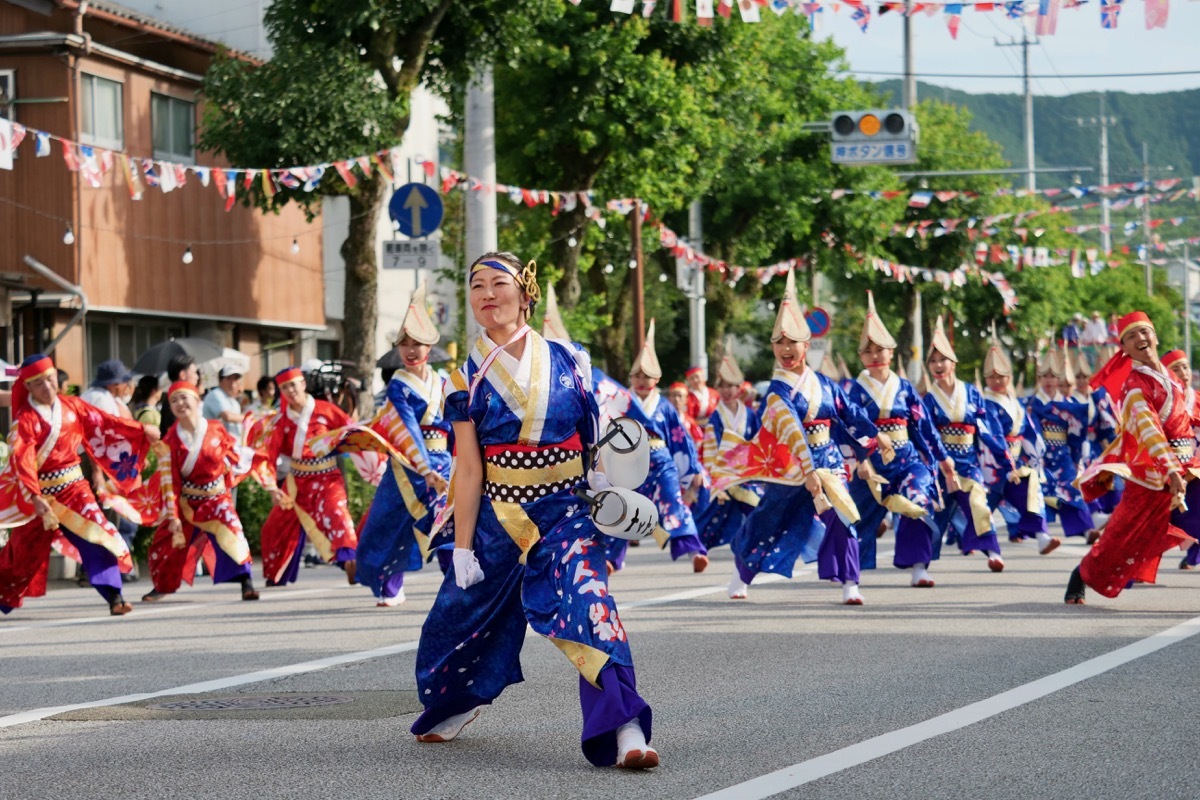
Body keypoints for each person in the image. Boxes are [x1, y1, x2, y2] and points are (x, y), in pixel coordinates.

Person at [410, 251, 657, 769]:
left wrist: (605, 487)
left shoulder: (572, 359)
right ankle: (456, 701)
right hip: (499, 515)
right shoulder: (463, 379)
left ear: (526, 294)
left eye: (499, 283)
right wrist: (461, 546)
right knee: (458, 619)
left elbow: (597, 437)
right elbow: (470, 469)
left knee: (591, 608)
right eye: (476, 285)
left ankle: (627, 727)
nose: (487, 294)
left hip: (565, 510)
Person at [727, 269, 885, 603]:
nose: (786, 348)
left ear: (806, 344)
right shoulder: (777, 390)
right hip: (791, 465)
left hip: (828, 459)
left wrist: (872, 443)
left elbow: (848, 414)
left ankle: (850, 583)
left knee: (844, 516)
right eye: (779, 342)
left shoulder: (824, 384)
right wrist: (808, 472)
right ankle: (742, 573)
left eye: (792, 342)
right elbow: (792, 429)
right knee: (769, 520)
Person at [0, 354, 155, 615]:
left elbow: (105, 423)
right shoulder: (25, 421)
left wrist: (139, 431)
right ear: (27, 387)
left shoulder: (73, 407)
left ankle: (115, 597)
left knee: (98, 536)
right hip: (39, 497)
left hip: (74, 490)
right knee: (21, 558)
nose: (47, 387)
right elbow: (21, 459)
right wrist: (35, 496)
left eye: (50, 380)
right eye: (38, 383)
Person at [1066, 313, 1199, 603]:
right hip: (1153, 475)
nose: (1140, 339)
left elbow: (1188, 418)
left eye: (1144, 332)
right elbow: (1149, 430)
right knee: (1121, 540)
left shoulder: (1172, 378)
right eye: (1131, 336)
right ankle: (1082, 573)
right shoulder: (1135, 385)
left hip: (1189, 469)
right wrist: (1171, 471)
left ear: (1155, 336)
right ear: (1123, 348)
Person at [846, 291, 953, 588]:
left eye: (881, 350)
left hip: (906, 459)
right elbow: (847, 429)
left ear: (891, 353)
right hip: (871, 464)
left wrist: (942, 459)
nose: (875, 356)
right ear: (861, 357)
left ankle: (919, 566)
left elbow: (923, 427)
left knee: (917, 500)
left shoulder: (904, 387)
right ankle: (850, 576)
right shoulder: (853, 391)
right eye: (868, 352)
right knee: (859, 517)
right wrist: (860, 460)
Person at [355, 284, 452, 607]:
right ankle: (389, 584)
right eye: (404, 344)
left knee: (449, 522)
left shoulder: (443, 382)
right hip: (409, 466)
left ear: (429, 346)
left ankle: (458, 588)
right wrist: (425, 470)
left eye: (417, 344)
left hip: (444, 463)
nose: (410, 350)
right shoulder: (398, 384)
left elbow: (456, 426)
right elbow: (408, 429)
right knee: (388, 525)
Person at [141, 381, 259, 602]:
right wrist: (173, 515)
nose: (179, 403)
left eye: (184, 397)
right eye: (174, 400)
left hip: (217, 498)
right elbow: (170, 480)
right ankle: (163, 585)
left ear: (197, 400)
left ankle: (247, 582)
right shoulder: (170, 441)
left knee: (233, 532)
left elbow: (233, 456)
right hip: (187, 502)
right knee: (165, 542)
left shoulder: (216, 428)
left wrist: (248, 461)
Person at [611, 320, 708, 573]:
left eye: (648, 376)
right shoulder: (620, 401)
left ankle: (694, 552)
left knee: (673, 502)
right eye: (638, 375)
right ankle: (610, 559)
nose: (642, 380)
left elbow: (681, 439)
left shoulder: (664, 406)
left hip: (661, 460)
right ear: (630, 377)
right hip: (627, 461)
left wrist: (694, 468)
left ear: (657, 378)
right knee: (622, 507)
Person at [923, 316, 1013, 573]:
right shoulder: (929, 399)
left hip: (967, 461)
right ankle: (922, 565)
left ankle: (993, 551)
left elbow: (987, 428)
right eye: (933, 360)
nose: (938, 365)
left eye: (943, 360)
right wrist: (938, 462)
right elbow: (926, 434)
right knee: (935, 514)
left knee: (978, 504)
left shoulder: (971, 393)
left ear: (953, 363)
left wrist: (1004, 457)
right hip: (940, 464)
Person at [258, 366, 358, 586]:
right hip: (297, 482)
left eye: (293, 385)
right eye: (285, 388)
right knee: (274, 527)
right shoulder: (280, 421)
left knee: (337, 514)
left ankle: (350, 559)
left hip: (328, 477)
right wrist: (272, 487)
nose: (290, 391)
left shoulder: (326, 410)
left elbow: (351, 433)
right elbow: (267, 455)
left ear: (303, 384)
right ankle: (277, 573)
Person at [979, 328, 1056, 554]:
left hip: (1013, 461)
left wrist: (1036, 457)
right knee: (980, 509)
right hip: (991, 464)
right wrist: (1007, 465)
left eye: (1001, 376)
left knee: (1028, 494)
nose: (996, 381)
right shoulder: (986, 404)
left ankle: (1042, 536)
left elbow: (1029, 432)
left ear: (1009, 377)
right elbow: (991, 436)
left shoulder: (1016, 403)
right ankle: (993, 552)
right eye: (991, 377)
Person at [693, 339, 762, 554]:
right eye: (722, 385)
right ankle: (696, 547)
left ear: (739, 388)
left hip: (747, 473)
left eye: (731, 385)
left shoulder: (750, 414)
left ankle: (751, 546)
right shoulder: (716, 417)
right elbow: (711, 447)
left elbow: (759, 441)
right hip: (724, 472)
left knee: (756, 508)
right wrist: (716, 475)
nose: (726, 390)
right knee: (713, 514)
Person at [1027, 344, 1095, 541]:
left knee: (1071, 488)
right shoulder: (1031, 404)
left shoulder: (1068, 405)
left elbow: (1075, 433)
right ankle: (1042, 535)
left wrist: (1076, 457)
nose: (1048, 380)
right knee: (1041, 492)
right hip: (1040, 456)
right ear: (1039, 379)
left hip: (1062, 453)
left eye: (1052, 376)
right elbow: (1027, 431)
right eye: (1044, 376)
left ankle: (1087, 529)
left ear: (1058, 379)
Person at [1157, 350, 1200, 571]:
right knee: (1151, 529)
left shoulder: (1198, 400)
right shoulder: (1163, 403)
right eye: (1175, 368)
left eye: (1185, 367)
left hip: (1196, 469)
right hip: (1168, 473)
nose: (1183, 373)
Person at [159, 353, 200, 434]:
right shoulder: (171, 401)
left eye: (184, 398)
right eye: (195, 373)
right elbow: (171, 431)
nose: (197, 377)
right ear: (183, 375)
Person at [203, 366, 245, 440]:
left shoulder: (235, 403)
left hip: (233, 445)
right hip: (216, 444)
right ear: (220, 381)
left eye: (235, 378)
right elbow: (227, 416)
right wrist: (250, 418)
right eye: (229, 378)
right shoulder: (215, 394)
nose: (233, 382)